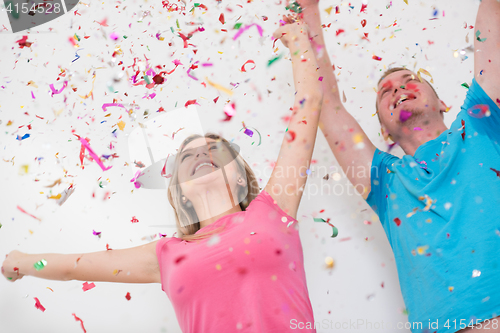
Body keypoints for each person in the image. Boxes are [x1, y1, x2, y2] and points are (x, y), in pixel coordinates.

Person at [1, 19, 323, 332]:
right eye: (187, 155)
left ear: (240, 177)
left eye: (215, 149)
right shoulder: (167, 255)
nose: (201, 153)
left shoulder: (273, 207)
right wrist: (22, 261)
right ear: (181, 192)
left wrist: (298, 41)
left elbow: (308, 105)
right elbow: (74, 267)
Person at [293, 0, 500, 332]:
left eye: (409, 81)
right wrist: (309, 11)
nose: (398, 89)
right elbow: (327, 104)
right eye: (385, 92)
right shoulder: (385, 181)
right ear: (383, 129)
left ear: (442, 102)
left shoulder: (480, 124)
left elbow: (491, 18)